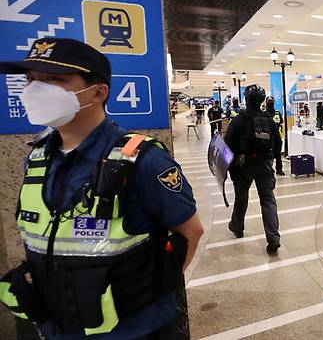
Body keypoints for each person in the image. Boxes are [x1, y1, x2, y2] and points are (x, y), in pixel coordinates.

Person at [0, 38, 204, 339]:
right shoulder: (38, 157)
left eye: (53, 80)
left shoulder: (142, 160)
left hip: (134, 330)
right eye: (31, 80)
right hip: (56, 327)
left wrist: (155, 292)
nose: (34, 90)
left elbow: (190, 231)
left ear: (98, 92)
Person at [224, 85, 282, 253]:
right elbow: (278, 143)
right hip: (264, 166)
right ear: (262, 100)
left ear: (246, 99)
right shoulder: (269, 120)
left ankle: (237, 227)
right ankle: (273, 237)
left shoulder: (238, 120)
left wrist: (230, 168)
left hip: (243, 167)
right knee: (268, 200)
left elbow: (228, 146)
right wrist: (272, 160)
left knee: (241, 198)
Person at [265, 96, 285, 176]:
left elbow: (281, 122)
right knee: (267, 154)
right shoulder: (264, 114)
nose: (270, 103)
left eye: (271, 102)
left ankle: (279, 169)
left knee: (278, 154)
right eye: (269, 102)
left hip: (277, 137)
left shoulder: (277, 113)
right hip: (267, 137)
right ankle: (269, 168)